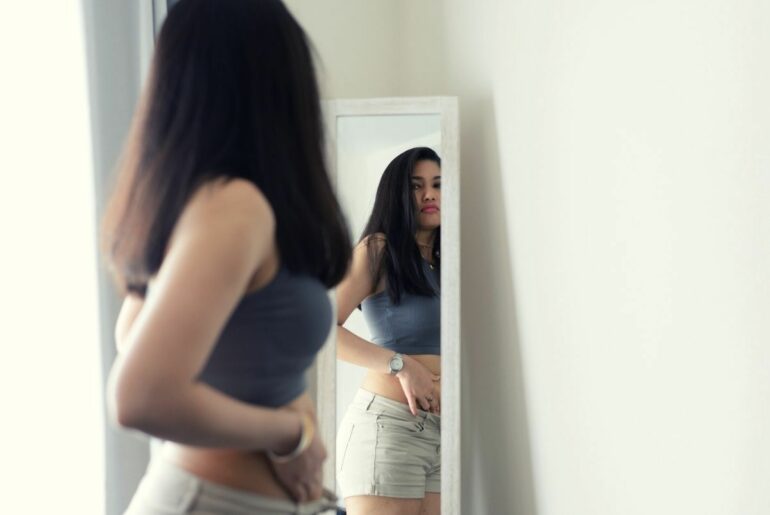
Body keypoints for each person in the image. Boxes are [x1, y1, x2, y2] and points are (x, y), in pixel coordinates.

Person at [102, 1, 350, 513]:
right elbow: (139, 395)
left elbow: (132, 331)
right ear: (277, 77)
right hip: (214, 501)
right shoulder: (235, 206)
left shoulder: (200, 202)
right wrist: (291, 433)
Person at [335, 147, 442, 515]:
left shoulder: (448, 265)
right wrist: (400, 365)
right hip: (388, 428)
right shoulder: (378, 250)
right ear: (398, 193)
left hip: (442, 435)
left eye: (438, 185)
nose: (429, 194)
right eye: (417, 186)